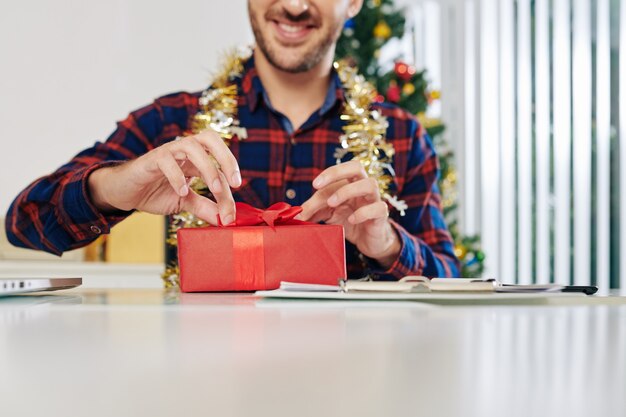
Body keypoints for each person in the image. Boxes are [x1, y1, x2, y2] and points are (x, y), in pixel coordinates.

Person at [5, 0, 459, 279]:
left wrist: (387, 245)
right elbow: (23, 223)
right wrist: (114, 188)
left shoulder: (400, 137)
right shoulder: (173, 122)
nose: (295, 4)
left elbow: (450, 279)